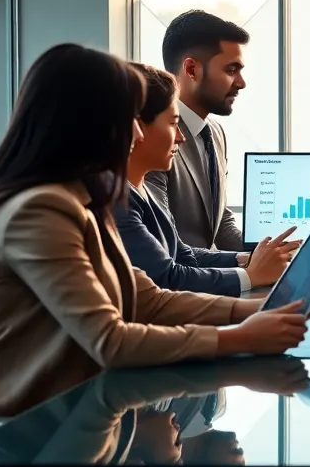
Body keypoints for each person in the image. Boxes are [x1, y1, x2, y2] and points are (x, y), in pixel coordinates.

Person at [0, 44, 310, 419]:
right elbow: (110, 342)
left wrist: (264, 309)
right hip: (12, 432)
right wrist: (241, 337)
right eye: (129, 120)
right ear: (87, 125)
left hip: (64, 414)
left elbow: (148, 301)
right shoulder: (39, 212)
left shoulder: (83, 202)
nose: (138, 135)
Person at [116, 65, 298, 296]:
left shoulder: (143, 191)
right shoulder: (118, 200)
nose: (181, 137)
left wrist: (248, 259)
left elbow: (185, 255)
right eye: (173, 124)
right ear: (138, 127)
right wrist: (251, 275)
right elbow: (166, 276)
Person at [145, 10, 250, 251]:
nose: (241, 83)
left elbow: (221, 226)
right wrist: (247, 270)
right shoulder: (154, 136)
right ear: (191, 70)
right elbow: (167, 248)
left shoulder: (215, 133)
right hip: (178, 284)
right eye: (231, 70)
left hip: (209, 279)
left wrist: (277, 254)